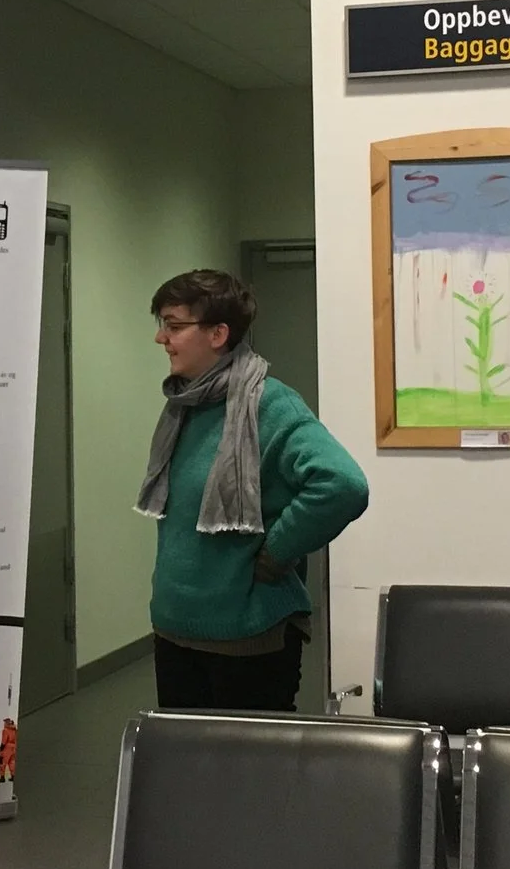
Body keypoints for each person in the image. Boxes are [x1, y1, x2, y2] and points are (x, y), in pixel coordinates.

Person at [140, 269, 368, 714]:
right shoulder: (184, 405)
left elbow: (342, 484)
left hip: (248, 640)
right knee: (186, 758)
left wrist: (277, 550)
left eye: (174, 325)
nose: (161, 337)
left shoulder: (270, 404)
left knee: (249, 761)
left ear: (218, 334)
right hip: (175, 630)